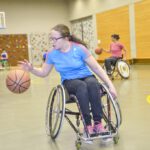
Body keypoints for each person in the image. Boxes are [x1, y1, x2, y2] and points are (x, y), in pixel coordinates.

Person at [19, 24, 117, 135]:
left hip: (86, 76)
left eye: (55, 39)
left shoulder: (79, 48)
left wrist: (111, 86)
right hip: (69, 81)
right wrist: (31, 69)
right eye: (51, 39)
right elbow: (43, 73)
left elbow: (96, 68)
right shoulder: (51, 54)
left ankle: (98, 124)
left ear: (66, 38)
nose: (52, 42)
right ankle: (87, 125)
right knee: (81, 86)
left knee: (93, 83)